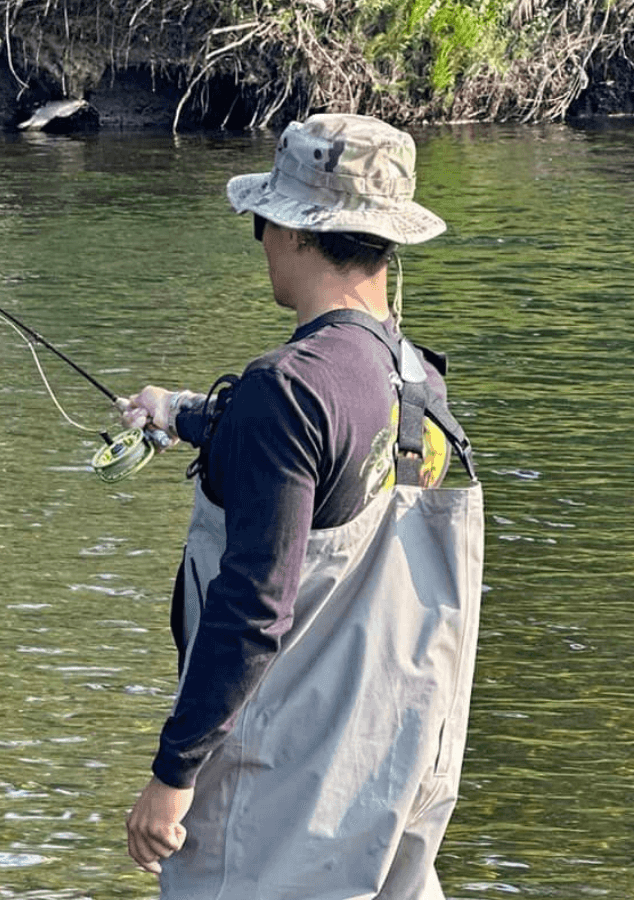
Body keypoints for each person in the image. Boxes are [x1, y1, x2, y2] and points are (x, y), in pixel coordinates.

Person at [114, 114, 485, 899]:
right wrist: (181, 413)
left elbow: (253, 606)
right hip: (395, 761)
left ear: (289, 229)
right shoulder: (415, 379)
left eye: (262, 222)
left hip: (284, 777)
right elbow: (333, 467)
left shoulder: (285, 389)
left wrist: (172, 774)